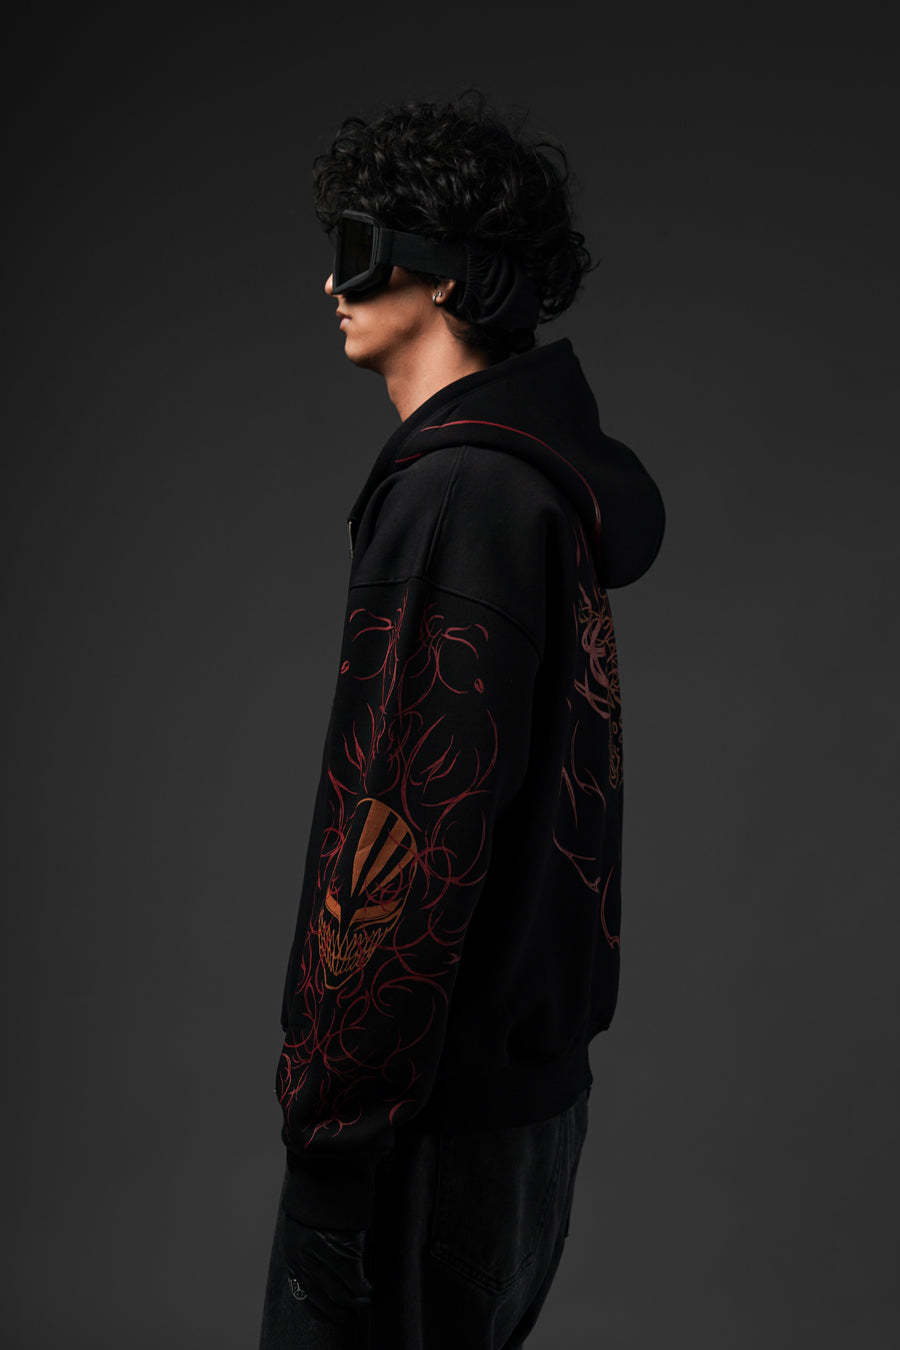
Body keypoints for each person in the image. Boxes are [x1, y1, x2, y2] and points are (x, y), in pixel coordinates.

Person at [258, 88, 666, 1349]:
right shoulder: (529, 487)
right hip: (518, 1116)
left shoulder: (457, 496)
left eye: (356, 248)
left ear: (442, 275)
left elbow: (403, 839)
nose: (331, 285)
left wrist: (334, 1142)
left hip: (422, 1130)